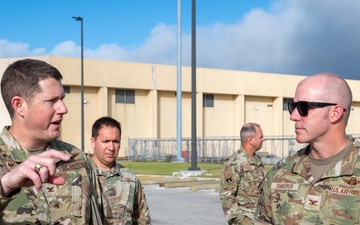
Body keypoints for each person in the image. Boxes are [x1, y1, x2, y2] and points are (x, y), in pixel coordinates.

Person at [0, 58, 96, 224]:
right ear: (19, 105)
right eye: (51, 101)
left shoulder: (76, 157)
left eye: (62, 99)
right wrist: (5, 186)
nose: (64, 109)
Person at [254, 73, 358, 224]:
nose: (293, 116)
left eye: (303, 107)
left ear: (335, 113)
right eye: (293, 106)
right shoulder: (281, 172)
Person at [87, 116, 151, 224]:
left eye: (116, 141)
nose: (111, 147)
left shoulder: (129, 178)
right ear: (93, 142)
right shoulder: (81, 174)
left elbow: (142, 218)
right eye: (105, 141)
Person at [219, 122, 266, 225]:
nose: (263, 139)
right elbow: (227, 197)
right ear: (250, 140)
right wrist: (242, 221)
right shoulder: (234, 163)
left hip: (260, 218)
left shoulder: (257, 161)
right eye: (261, 137)